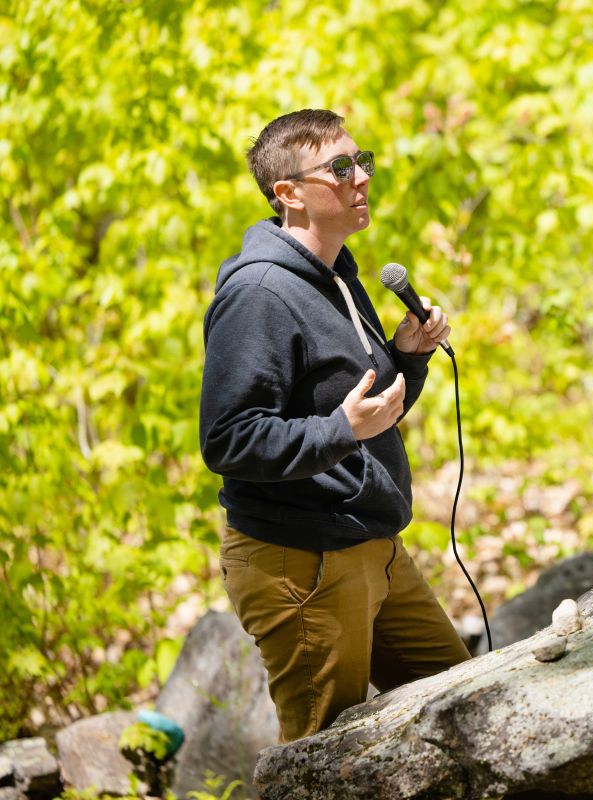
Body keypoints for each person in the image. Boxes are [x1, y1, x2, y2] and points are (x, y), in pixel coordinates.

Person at [199, 109, 470, 742]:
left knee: (463, 709)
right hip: (300, 561)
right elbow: (228, 438)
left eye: (364, 161)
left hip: (374, 548)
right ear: (288, 194)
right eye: (340, 167)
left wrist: (407, 355)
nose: (361, 178)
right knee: (321, 759)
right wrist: (339, 431)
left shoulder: (339, 275)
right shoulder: (259, 293)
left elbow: (372, 409)